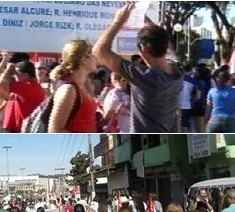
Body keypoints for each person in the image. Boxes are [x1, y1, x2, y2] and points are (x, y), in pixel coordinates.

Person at [93, 3, 184, 133]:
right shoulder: (178, 70)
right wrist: (143, 16)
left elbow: (99, 51)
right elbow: (168, 46)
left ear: (142, 49)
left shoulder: (145, 77)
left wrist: (119, 21)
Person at [48, 40, 98, 133]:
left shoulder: (85, 85)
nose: (96, 57)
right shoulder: (69, 90)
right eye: (92, 54)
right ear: (83, 59)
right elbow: (55, 130)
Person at [0, 61, 46, 133]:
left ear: (26, 75)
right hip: (17, 127)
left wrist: (8, 70)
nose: (14, 76)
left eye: (16, 73)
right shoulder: (34, 86)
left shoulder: (26, 87)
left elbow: (1, 84)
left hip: (19, 129)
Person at [180, 65, 202, 133]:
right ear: (191, 71)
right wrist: (192, 101)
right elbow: (198, 96)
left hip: (175, 106)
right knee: (185, 126)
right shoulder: (194, 81)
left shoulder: (176, 80)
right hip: (187, 106)